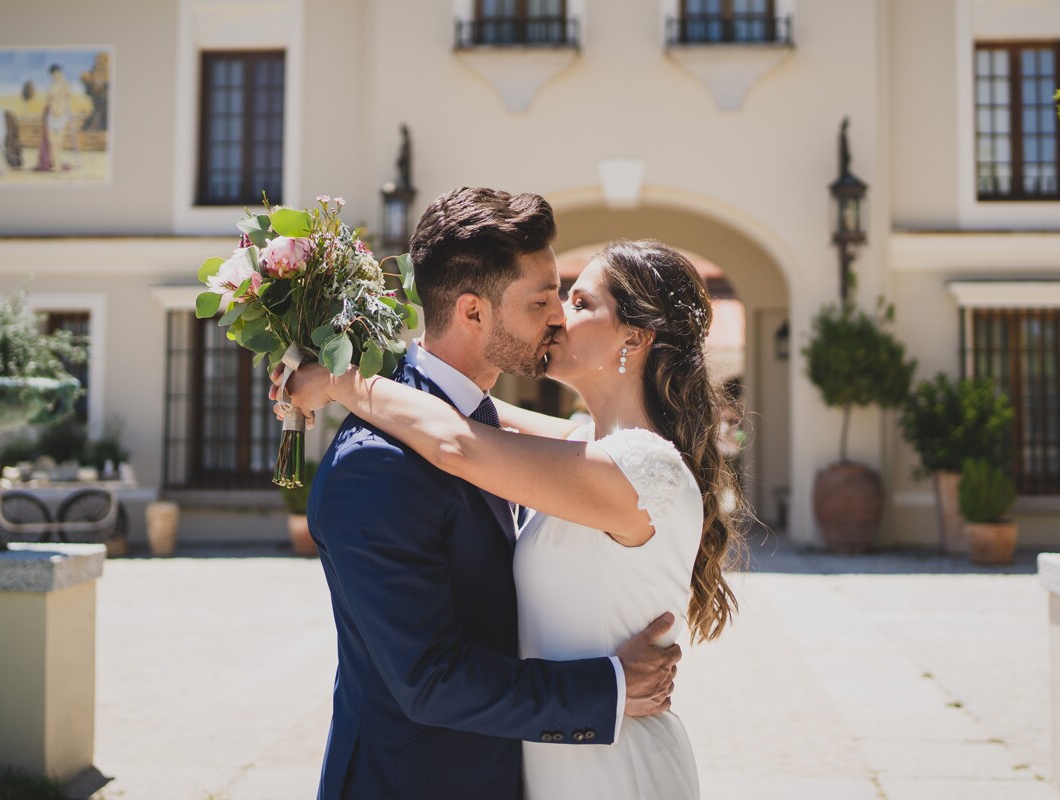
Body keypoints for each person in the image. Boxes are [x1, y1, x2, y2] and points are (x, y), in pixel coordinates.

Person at [275, 226, 745, 800]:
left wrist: (341, 380)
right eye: (550, 299)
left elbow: (458, 443)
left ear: (635, 338)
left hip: (614, 767)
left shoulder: (638, 471)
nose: (556, 317)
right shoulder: (583, 446)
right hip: (558, 758)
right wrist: (372, 357)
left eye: (578, 302)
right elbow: (474, 409)